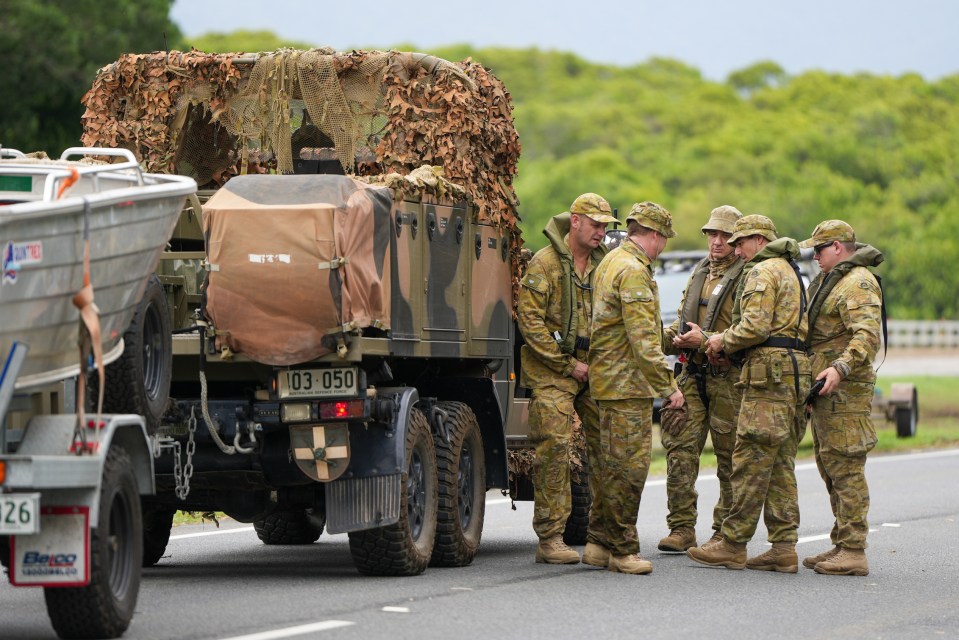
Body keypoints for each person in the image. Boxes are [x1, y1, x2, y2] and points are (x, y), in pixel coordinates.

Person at [688, 214, 811, 573]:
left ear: (758, 239)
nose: (735, 249)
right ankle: (783, 546)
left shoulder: (762, 270)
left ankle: (732, 542)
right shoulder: (789, 270)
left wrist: (719, 340)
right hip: (792, 373)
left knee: (750, 459)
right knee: (779, 464)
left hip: (767, 377)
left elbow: (755, 325)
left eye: (740, 242)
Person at [517, 193, 618, 564]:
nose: (602, 232)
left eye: (606, 226)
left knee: (609, 447)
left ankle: (603, 536)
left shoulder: (604, 264)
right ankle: (550, 538)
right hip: (553, 370)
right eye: (596, 225)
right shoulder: (544, 265)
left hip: (595, 369)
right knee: (554, 449)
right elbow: (531, 323)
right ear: (575, 221)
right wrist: (566, 365)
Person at [585, 202, 685, 575]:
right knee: (629, 470)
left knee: (611, 466)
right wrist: (669, 387)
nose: (662, 248)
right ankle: (622, 550)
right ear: (654, 235)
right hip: (628, 384)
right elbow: (643, 341)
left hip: (609, 381)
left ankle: (597, 543)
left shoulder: (610, 261)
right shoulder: (633, 270)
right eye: (663, 240)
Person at [657, 205, 745, 553]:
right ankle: (681, 528)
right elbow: (682, 320)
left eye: (725, 236)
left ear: (736, 240)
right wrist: (665, 337)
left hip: (728, 375)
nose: (717, 241)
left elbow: (749, 329)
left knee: (729, 457)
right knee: (679, 450)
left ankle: (723, 532)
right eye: (713, 234)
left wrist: (706, 340)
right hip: (692, 373)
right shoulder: (699, 273)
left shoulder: (748, 276)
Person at [799, 220, 883, 576]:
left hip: (845, 392)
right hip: (828, 393)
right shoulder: (835, 281)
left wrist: (840, 369)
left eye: (819, 249)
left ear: (838, 247)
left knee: (846, 468)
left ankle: (853, 550)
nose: (815, 256)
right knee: (830, 465)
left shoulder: (857, 282)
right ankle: (842, 542)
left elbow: (866, 336)